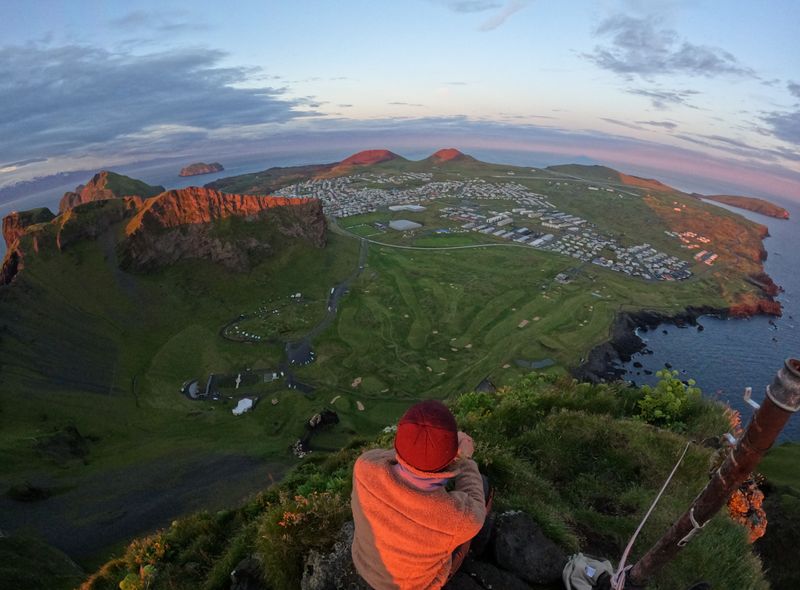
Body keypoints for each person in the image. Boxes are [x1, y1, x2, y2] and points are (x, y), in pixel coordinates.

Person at [351, 400, 490, 589]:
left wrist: (419, 446)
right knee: (484, 486)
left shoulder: (364, 467)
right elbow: (476, 509)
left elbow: (387, 456)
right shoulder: (460, 518)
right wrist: (464, 460)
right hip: (416, 586)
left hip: (364, 566)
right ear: (452, 457)